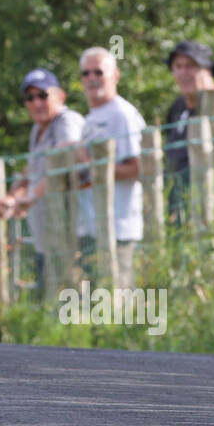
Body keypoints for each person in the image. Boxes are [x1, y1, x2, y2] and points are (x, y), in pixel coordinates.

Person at [0, 68, 93, 295]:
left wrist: (30, 198)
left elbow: (64, 168)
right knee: (49, 306)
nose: (36, 102)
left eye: (43, 95)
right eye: (30, 97)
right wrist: (12, 197)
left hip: (71, 238)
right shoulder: (38, 128)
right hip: (47, 240)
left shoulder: (67, 122)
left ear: (61, 96)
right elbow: (33, 170)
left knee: (70, 305)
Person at [79, 47, 146, 287]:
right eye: (86, 73)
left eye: (99, 71)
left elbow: (138, 168)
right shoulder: (90, 118)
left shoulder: (121, 114)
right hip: (92, 228)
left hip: (118, 230)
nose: (92, 78)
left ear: (115, 75)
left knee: (117, 308)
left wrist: (88, 164)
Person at [162, 42, 214, 222]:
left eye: (191, 66)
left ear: (208, 70)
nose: (183, 73)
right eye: (177, 67)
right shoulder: (177, 107)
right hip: (179, 209)